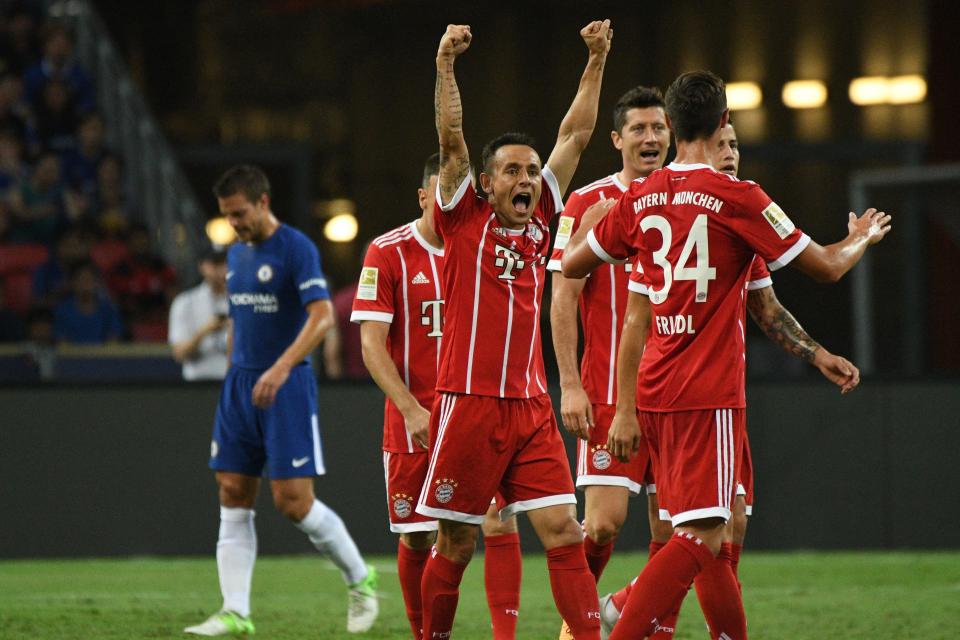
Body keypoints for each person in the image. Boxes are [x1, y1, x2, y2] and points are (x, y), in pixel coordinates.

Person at [562, 70, 890, 639]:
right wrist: (862, 234)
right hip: (705, 394)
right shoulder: (737, 199)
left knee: (709, 532)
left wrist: (591, 230)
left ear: (673, 127)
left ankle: (651, 617)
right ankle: (619, 613)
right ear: (721, 124)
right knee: (703, 534)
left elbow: (574, 267)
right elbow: (829, 265)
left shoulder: (641, 196)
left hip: (654, 392)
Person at [416, 21, 612, 640]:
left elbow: (576, 134)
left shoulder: (545, 213)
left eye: (531, 171)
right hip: (468, 403)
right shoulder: (461, 214)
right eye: (511, 172)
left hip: (529, 407)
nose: (526, 179)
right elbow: (451, 139)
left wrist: (596, 58)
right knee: (456, 540)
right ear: (485, 182)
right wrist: (446, 64)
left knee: (563, 531)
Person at [185, 165, 378, 636]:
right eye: (228, 216)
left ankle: (360, 579)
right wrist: (239, 370)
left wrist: (281, 367)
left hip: (286, 386)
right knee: (232, 491)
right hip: (241, 386)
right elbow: (239, 319)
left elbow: (322, 317)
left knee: (293, 502)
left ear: (263, 202)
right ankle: (236, 611)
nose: (235, 223)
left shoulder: (296, 249)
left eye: (240, 213)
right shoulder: (235, 255)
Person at [352, 153, 523, 639]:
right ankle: (423, 633)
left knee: (496, 521)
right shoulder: (387, 253)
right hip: (415, 419)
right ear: (425, 195)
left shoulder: (486, 247)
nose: (451, 203)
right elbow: (370, 344)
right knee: (418, 534)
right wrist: (410, 409)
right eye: (441, 193)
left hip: (475, 413)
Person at [548, 85, 672, 639]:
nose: (651, 138)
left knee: (675, 535)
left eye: (659, 128)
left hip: (678, 391)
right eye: (639, 130)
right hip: (604, 389)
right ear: (618, 138)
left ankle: (626, 613)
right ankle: (579, 624)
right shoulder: (587, 204)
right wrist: (570, 384)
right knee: (602, 523)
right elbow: (563, 296)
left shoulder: (689, 198)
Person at [168, 246, 229, 381]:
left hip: (233, 383)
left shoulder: (242, 300)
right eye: (216, 264)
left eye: (226, 263)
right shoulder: (185, 302)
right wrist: (206, 330)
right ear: (202, 266)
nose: (222, 270)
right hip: (199, 383)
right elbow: (179, 354)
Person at [52, 259, 123, 344]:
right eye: (81, 280)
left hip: (103, 356)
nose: (85, 284)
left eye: (89, 279)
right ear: (72, 283)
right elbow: (62, 343)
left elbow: (112, 342)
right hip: (72, 356)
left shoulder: (108, 309)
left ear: (97, 283)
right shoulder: (63, 310)